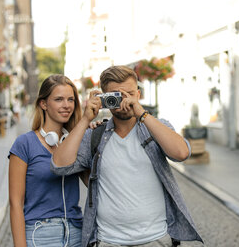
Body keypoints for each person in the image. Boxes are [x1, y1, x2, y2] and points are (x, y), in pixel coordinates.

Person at [51, 65, 203, 247]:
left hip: (156, 239)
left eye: (129, 94)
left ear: (138, 95)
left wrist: (141, 113)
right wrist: (85, 119)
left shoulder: (155, 127)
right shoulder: (95, 135)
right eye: (116, 96)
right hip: (108, 241)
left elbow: (182, 153)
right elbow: (59, 165)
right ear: (104, 99)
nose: (124, 102)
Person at [8, 74, 84, 247]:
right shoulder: (24, 144)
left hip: (75, 233)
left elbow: (92, 183)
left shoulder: (77, 142)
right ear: (43, 104)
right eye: (59, 99)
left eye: (71, 99)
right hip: (39, 235)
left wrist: (85, 132)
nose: (66, 105)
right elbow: (15, 203)